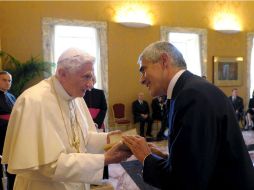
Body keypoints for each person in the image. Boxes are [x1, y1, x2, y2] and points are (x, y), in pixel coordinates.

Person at [123, 41, 254, 190]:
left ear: (164, 61)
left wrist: (146, 158)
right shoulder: (188, 90)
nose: (141, 79)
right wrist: (166, 158)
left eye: (143, 70)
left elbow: (186, 182)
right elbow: (198, 159)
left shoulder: (191, 96)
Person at [1, 48, 131, 190]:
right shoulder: (33, 101)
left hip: (76, 182)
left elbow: (82, 139)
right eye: (86, 77)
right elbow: (48, 165)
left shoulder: (75, 97)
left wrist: (110, 139)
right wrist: (104, 159)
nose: (91, 85)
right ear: (62, 73)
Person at [0, 71, 16, 190]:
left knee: (11, 164)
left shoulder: (11, 97)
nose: (7, 83)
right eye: (4, 80)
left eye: (9, 80)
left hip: (10, 134)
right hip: (0, 134)